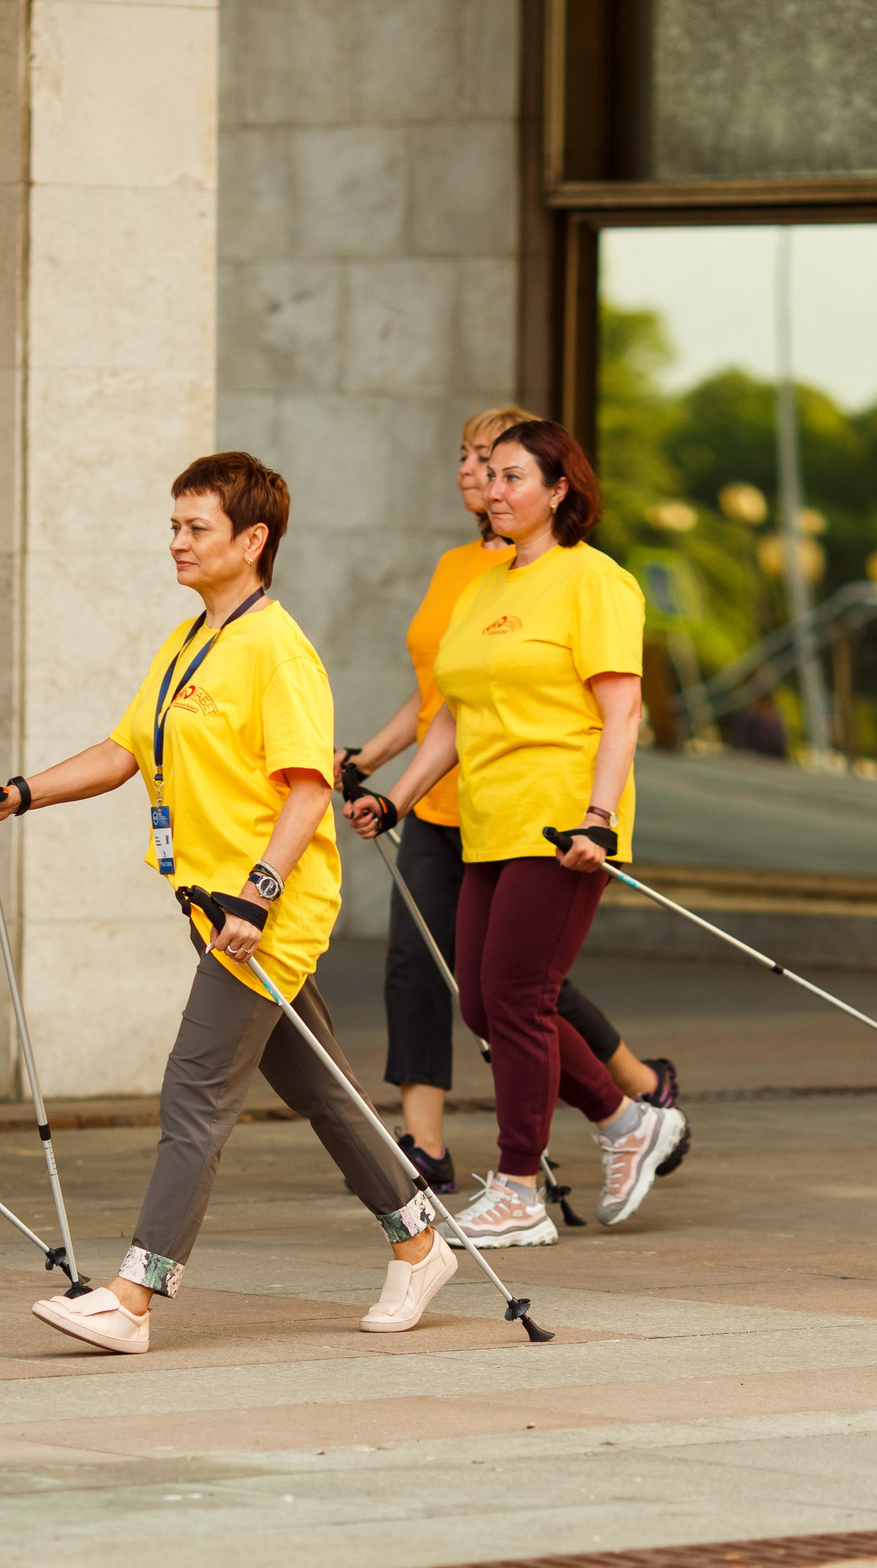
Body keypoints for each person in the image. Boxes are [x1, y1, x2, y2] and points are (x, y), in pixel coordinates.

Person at [0, 453, 448, 1355]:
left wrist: (258, 899)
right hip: (212, 910)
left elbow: (306, 791)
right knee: (323, 1090)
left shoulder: (279, 650)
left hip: (265, 914)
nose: (176, 541)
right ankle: (419, 1241)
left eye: (197, 527)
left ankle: (134, 1293)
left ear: (253, 539)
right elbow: (121, 752)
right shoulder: (191, 642)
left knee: (193, 1090)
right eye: (174, 525)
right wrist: (16, 792)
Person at [349, 420, 687, 1243]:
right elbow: (452, 717)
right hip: (487, 821)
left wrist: (599, 819)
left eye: (513, 477)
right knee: (483, 1002)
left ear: (559, 488)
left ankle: (517, 1187)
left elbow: (623, 711)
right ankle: (626, 1121)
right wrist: (395, 799)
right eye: (488, 476)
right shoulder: (483, 585)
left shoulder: (594, 581)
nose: (494, 490)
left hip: (563, 815)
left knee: (521, 997)